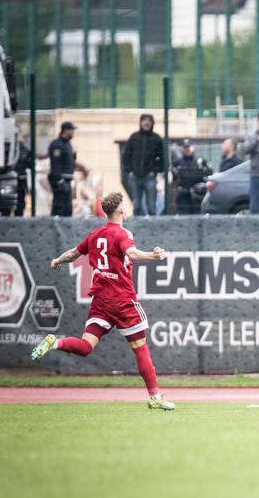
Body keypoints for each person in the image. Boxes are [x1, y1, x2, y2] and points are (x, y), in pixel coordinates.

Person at [30, 192, 174, 410]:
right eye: (124, 205)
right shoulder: (122, 233)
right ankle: (155, 397)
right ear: (120, 210)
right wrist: (153, 256)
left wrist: (57, 260)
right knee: (140, 348)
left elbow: (73, 254)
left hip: (101, 301)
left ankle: (55, 342)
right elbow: (133, 254)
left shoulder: (95, 235)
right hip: (122, 300)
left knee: (87, 346)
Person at [121, 114, 164, 216]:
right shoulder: (133, 137)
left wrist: (155, 171)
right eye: (144, 120)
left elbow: (162, 159)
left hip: (150, 177)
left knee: (151, 206)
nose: (147, 122)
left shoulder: (157, 139)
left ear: (153, 123)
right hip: (134, 177)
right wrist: (129, 172)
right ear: (140, 122)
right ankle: (135, 229)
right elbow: (125, 156)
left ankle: (153, 229)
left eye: (149, 120)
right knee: (137, 206)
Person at [48, 121, 86, 217]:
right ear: (65, 131)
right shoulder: (57, 145)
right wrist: (60, 181)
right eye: (72, 130)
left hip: (67, 181)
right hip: (60, 181)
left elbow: (69, 161)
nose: (73, 132)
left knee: (67, 209)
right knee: (59, 208)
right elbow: (55, 164)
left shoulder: (67, 144)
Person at [171, 139, 213, 214]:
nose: (187, 149)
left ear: (193, 147)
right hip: (183, 194)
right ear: (182, 149)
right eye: (185, 147)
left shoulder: (200, 160)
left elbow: (210, 172)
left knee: (198, 216)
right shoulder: (177, 162)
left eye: (189, 147)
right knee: (184, 217)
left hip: (198, 195)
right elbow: (173, 181)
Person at [11, 139, 30, 217]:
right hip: (10, 180)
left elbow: (30, 164)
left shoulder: (25, 149)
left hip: (21, 179)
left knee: (21, 202)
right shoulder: (8, 146)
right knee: (7, 203)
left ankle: (18, 218)